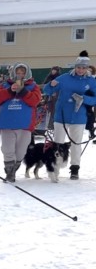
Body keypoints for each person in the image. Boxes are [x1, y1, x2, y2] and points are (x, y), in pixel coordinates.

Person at [42, 51, 96, 179]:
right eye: (78, 67)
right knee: (58, 143)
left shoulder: (91, 81)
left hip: (79, 117)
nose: (80, 70)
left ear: (87, 68)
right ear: (75, 67)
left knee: (76, 143)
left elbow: (94, 99)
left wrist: (84, 99)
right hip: (61, 116)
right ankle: (55, 167)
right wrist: (51, 85)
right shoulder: (65, 77)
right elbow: (47, 90)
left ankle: (75, 168)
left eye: (83, 68)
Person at [0, 63, 41, 182]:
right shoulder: (5, 85)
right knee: (7, 149)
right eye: (18, 73)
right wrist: (10, 90)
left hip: (25, 125)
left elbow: (35, 101)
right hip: (7, 124)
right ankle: (9, 173)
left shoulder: (33, 86)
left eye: (22, 73)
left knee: (21, 151)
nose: (20, 75)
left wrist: (24, 92)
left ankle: (15, 167)